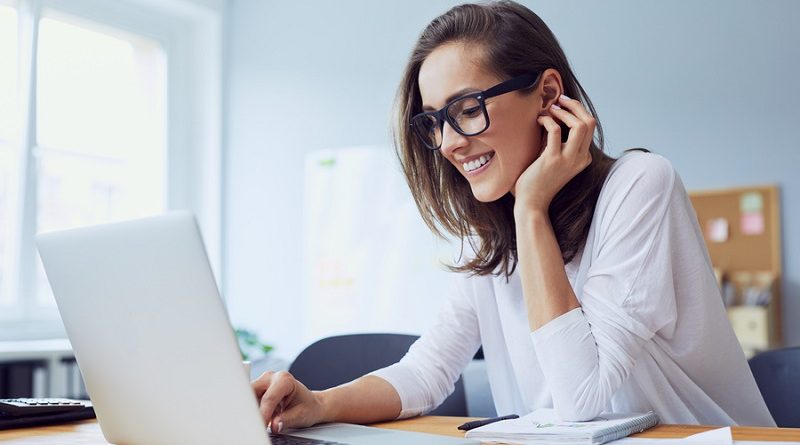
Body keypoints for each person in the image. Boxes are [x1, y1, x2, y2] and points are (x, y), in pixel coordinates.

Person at [251, 0, 776, 432]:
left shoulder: (641, 185)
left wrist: (531, 208)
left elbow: (583, 397)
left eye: (468, 108)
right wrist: (318, 403)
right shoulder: (489, 237)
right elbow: (427, 372)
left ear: (548, 94)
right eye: (435, 122)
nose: (451, 143)